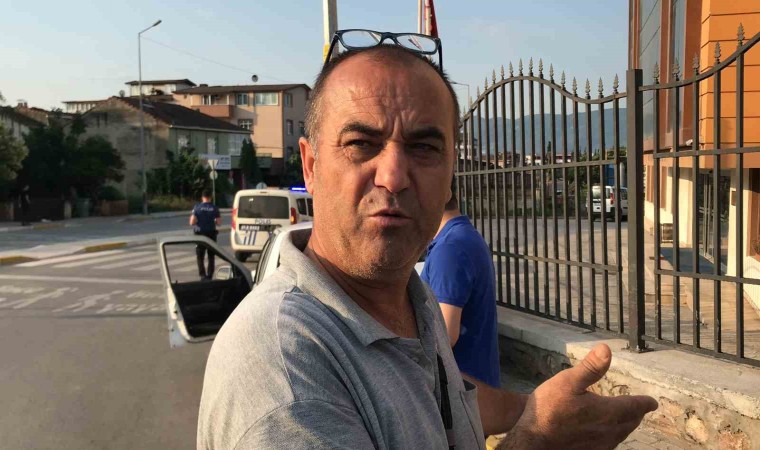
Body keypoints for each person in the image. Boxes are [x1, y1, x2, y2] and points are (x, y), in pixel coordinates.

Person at [197, 32, 657, 450]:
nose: (394, 176)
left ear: (451, 170)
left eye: (423, 148)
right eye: (361, 143)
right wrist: (536, 441)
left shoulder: (413, 301)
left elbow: (448, 413)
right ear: (311, 166)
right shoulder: (283, 365)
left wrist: (535, 411)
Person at [421, 177, 500, 388]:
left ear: (444, 193)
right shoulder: (461, 237)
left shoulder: (450, 248)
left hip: (460, 391)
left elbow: (445, 335)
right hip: (472, 387)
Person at [190, 189, 220, 280]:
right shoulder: (214, 208)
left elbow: (192, 222)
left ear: (202, 197)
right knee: (211, 256)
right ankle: (210, 275)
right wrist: (213, 221)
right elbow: (219, 222)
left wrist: (198, 221)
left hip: (200, 234)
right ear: (211, 197)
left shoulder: (197, 207)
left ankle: (202, 275)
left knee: (200, 256)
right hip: (211, 234)